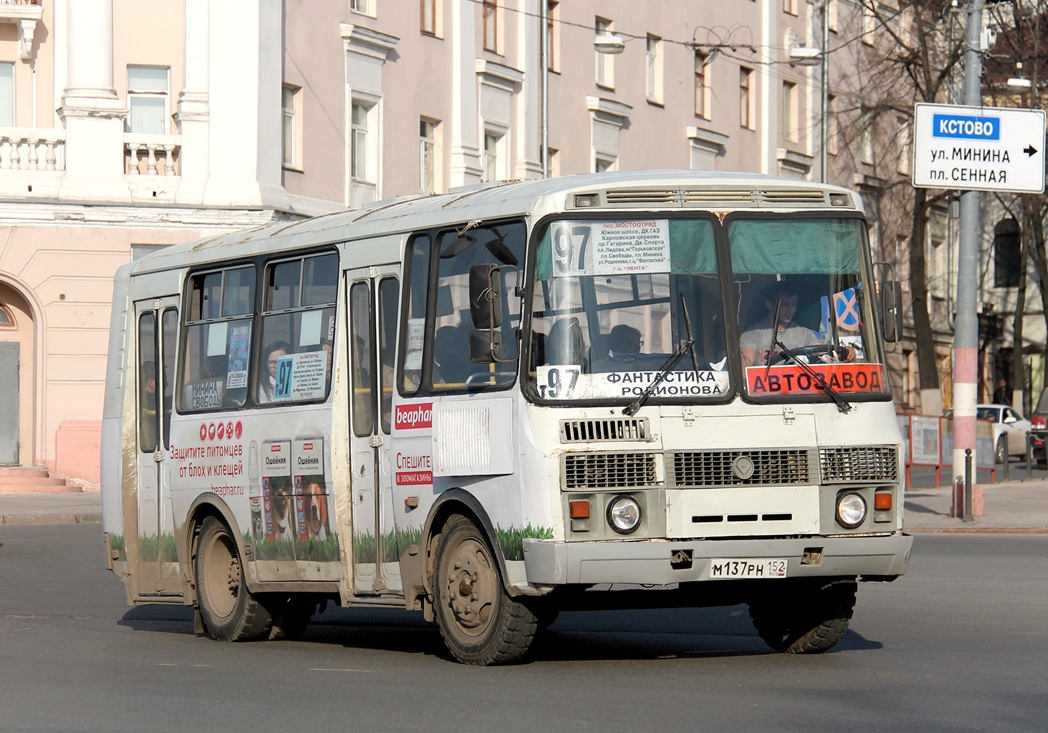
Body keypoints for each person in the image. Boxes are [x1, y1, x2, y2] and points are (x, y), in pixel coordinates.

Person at [740, 281, 852, 367]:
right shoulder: (752, 335)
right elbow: (746, 365)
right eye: (785, 305)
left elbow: (820, 349)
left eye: (794, 304)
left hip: (798, 394)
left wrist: (843, 352)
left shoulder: (803, 333)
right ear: (769, 305)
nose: (790, 310)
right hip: (765, 394)